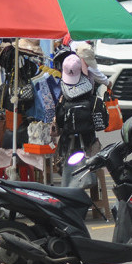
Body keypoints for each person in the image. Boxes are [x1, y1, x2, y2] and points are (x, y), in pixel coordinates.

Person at [55, 54, 101, 187]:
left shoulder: (63, 100)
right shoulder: (90, 94)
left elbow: (59, 122)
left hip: (68, 138)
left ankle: (69, 185)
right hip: (88, 138)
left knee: (65, 154)